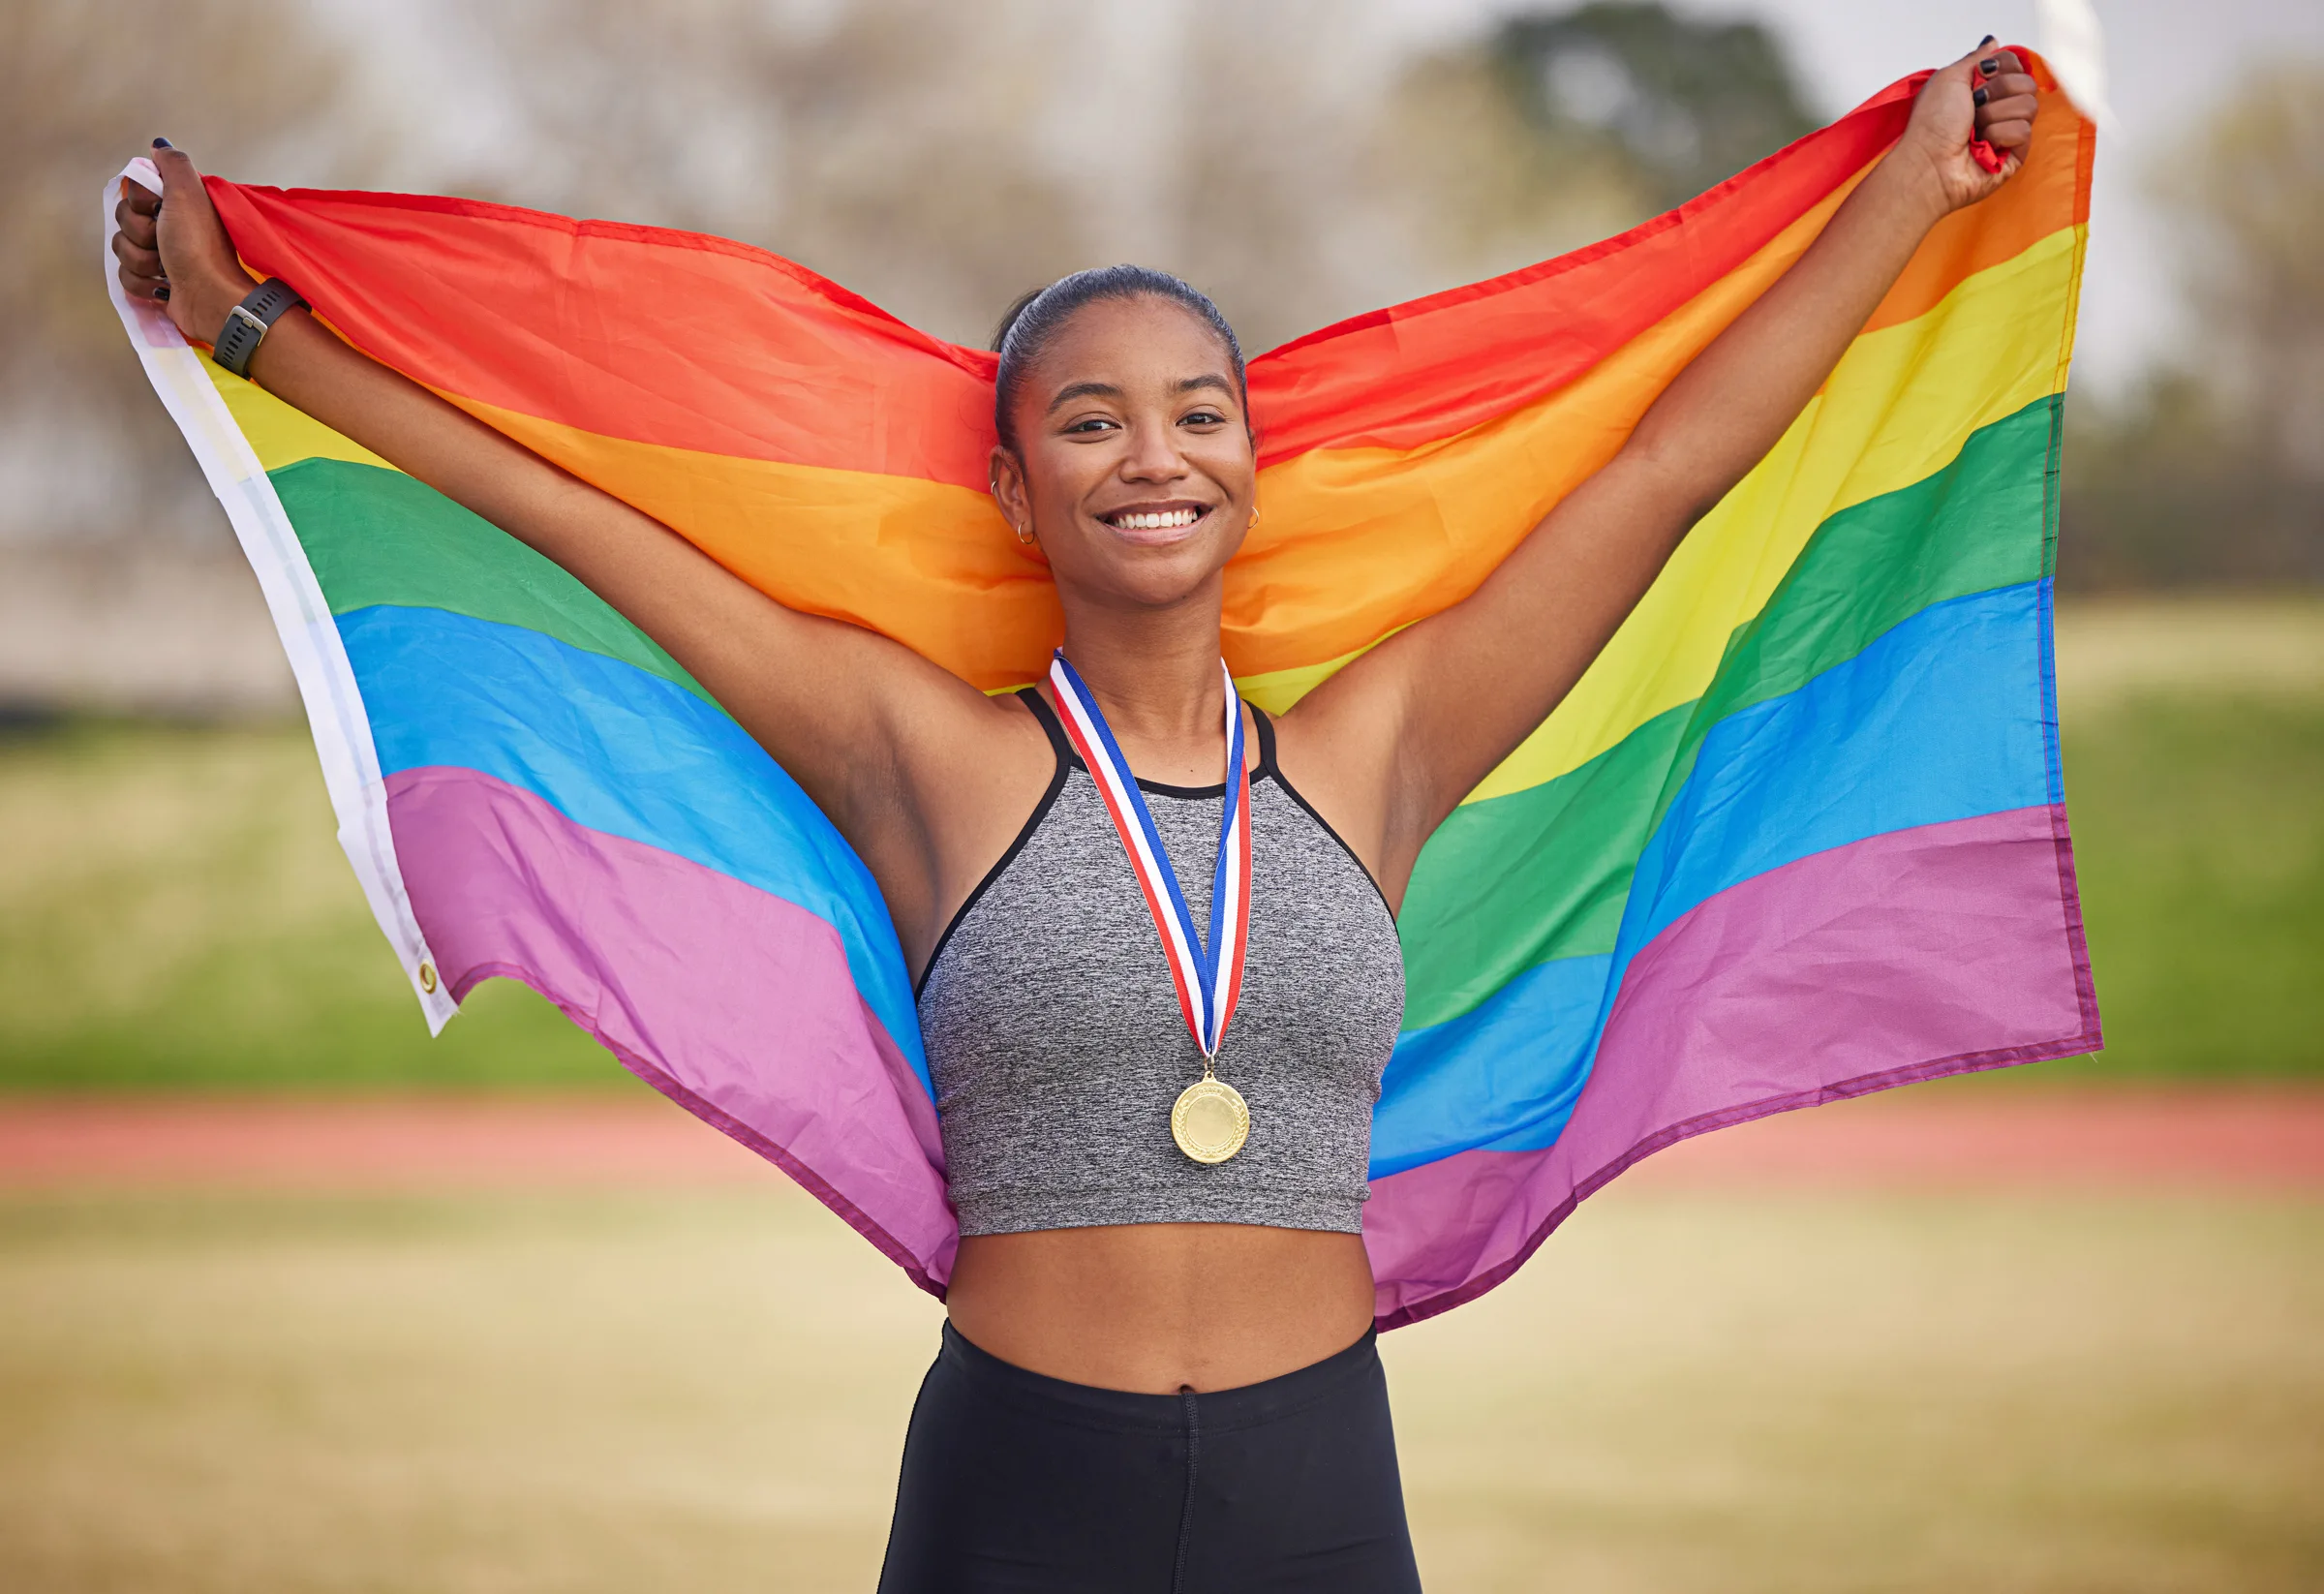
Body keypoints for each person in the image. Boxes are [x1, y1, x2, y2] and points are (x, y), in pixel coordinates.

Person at [113, 39, 2038, 1593]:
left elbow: (1672, 464)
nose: (1155, 452)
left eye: (1201, 411)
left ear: (1252, 469)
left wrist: (1913, 186)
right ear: (1020, 493)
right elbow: (588, 525)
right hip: (1023, 1482)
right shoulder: (920, 758)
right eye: (1091, 418)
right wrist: (262, 335)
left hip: (1318, 1484)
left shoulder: (1383, 748)